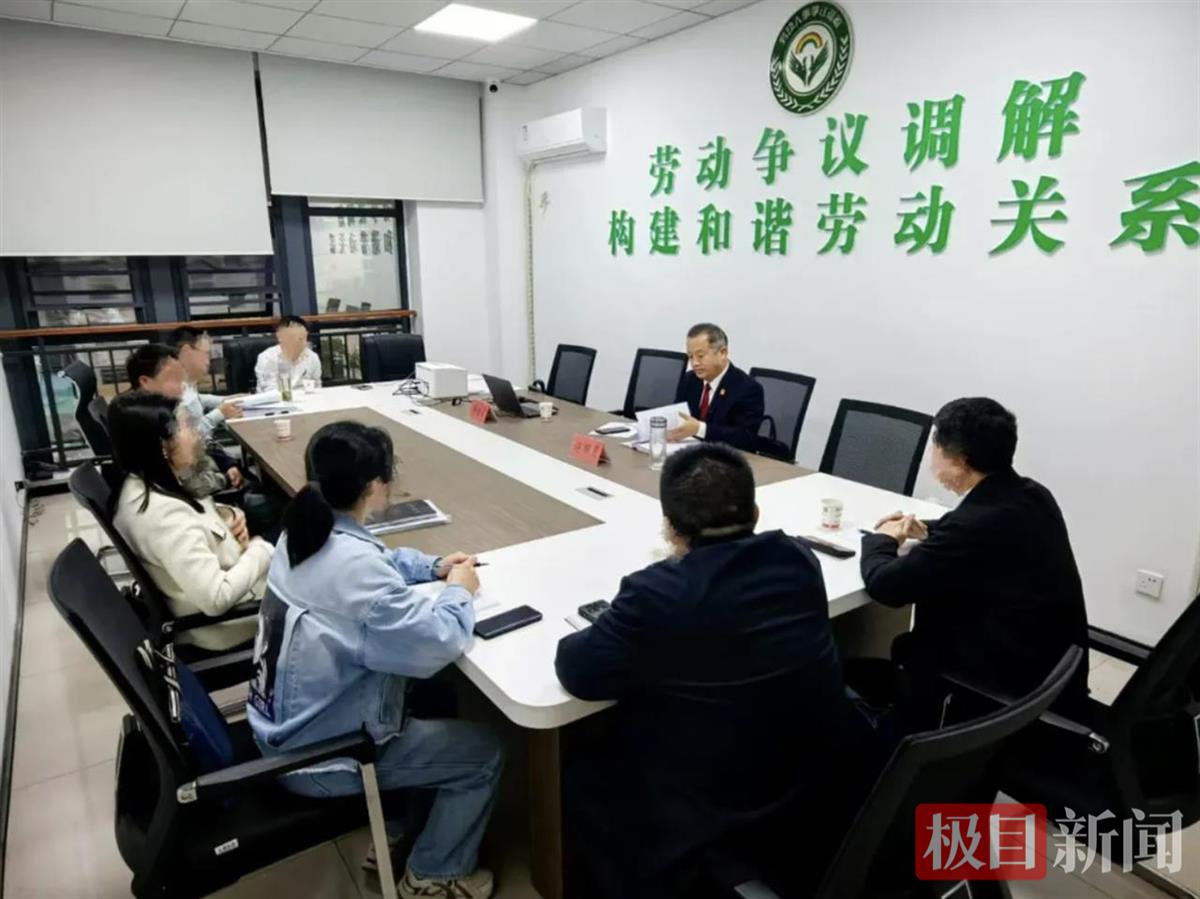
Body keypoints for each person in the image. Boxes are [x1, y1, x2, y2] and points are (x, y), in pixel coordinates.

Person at [554, 443, 878, 899]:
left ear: (670, 528)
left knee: (581, 771)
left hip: (712, 806)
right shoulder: (798, 559)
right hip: (812, 781)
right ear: (756, 512)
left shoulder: (655, 594)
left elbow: (577, 672)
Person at [246, 421, 502, 899]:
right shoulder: (354, 568)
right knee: (485, 753)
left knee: (436, 697)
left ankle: (402, 828)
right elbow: (438, 640)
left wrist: (432, 567)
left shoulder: (300, 531)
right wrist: (459, 591)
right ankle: (432, 875)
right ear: (374, 486)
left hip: (281, 726)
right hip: (322, 757)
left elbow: (376, 560)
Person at [860, 397, 1089, 727]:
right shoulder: (1033, 494)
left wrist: (880, 539)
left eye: (936, 446)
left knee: (901, 651)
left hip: (997, 692)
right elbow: (982, 533)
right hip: (1047, 675)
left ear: (959, 462)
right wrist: (931, 529)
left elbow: (885, 586)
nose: (932, 456)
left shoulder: (974, 525)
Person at [109, 391, 270, 651]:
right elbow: (216, 598)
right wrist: (261, 550)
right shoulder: (163, 517)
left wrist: (227, 514)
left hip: (233, 582)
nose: (196, 434)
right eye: (186, 426)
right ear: (163, 446)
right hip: (232, 623)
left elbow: (195, 508)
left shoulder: (144, 484)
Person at [126, 345, 242, 497]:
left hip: (209, 473)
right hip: (200, 495)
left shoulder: (170, 408)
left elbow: (202, 445)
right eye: (174, 379)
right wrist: (223, 479)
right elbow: (189, 481)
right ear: (145, 381)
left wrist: (226, 463)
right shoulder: (149, 426)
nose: (182, 389)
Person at [669, 322, 764, 451]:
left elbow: (745, 438)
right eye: (690, 356)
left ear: (723, 353)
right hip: (690, 454)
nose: (694, 363)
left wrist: (700, 429)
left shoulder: (748, 388)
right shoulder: (689, 379)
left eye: (700, 356)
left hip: (726, 458)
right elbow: (679, 416)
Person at [167, 326, 243, 442]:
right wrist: (219, 413)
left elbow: (195, 399)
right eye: (206, 354)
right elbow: (184, 440)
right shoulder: (171, 389)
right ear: (186, 351)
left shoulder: (185, 380)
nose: (208, 361)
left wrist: (225, 400)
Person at [254, 314, 321, 393]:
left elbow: (316, 386)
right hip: (274, 399)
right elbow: (269, 390)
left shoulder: (312, 357)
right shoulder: (267, 357)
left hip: (304, 399)